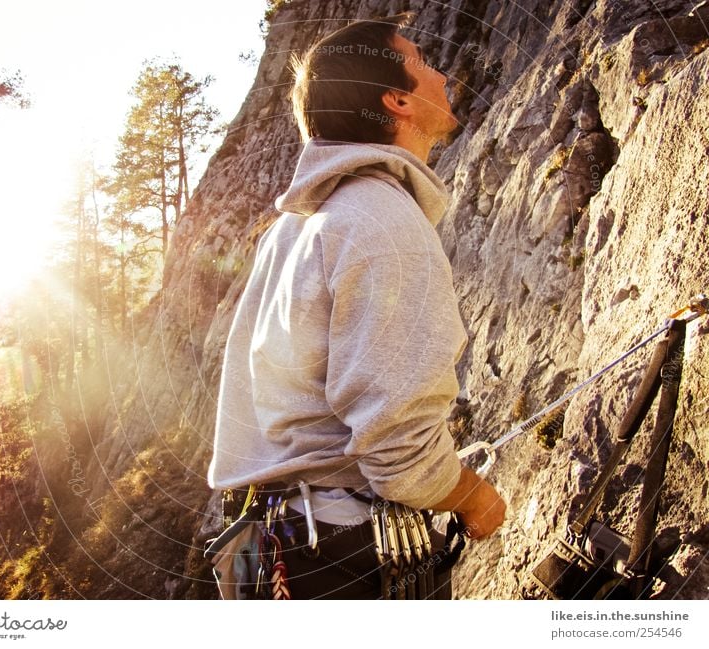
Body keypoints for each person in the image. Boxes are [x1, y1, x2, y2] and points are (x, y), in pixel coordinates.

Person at [206, 11, 506, 599]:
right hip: (346, 556)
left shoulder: (296, 231)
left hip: (274, 545)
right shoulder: (380, 217)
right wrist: (472, 494)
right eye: (424, 64)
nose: (443, 76)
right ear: (397, 100)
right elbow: (399, 449)